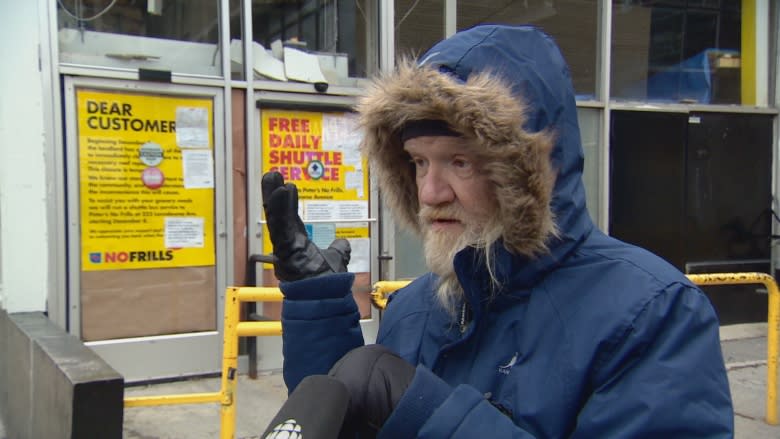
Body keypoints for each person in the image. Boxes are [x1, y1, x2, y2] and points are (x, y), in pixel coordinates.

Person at [261, 24, 733, 438]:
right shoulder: (414, 307)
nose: (429, 192)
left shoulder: (652, 313)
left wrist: (426, 414)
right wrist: (321, 313)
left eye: (458, 161)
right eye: (419, 161)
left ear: (527, 174)